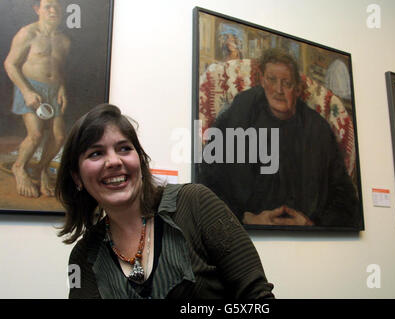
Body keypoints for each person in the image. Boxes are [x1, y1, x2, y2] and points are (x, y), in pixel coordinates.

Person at [56, 104, 274, 299]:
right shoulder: (82, 259)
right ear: (77, 177)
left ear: (140, 160)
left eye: (124, 148)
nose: (114, 161)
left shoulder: (196, 205)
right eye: (96, 153)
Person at [199, 48, 360, 227]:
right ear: (262, 79)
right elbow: (207, 177)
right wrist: (246, 218)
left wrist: (311, 224)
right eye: (272, 80)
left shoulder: (318, 129)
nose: (279, 90)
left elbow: (346, 200)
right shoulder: (241, 111)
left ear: (298, 89)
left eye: (287, 83)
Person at [3, 0, 70, 197]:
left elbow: (59, 69)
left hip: (53, 90)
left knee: (58, 136)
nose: (52, 10)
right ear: (37, 9)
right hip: (31, 87)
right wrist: (26, 91)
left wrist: (62, 89)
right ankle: (19, 167)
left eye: (56, 7)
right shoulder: (27, 33)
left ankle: (41, 169)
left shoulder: (64, 40)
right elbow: (10, 64)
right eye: (47, 6)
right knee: (36, 135)